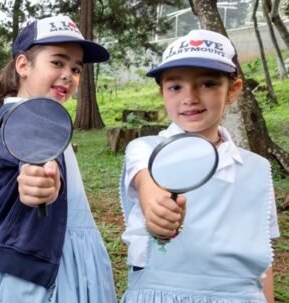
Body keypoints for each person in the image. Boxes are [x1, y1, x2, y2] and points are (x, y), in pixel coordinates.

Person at [119, 29, 278, 303]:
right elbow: (148, 185)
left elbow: (263, 260)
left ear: (233, 90)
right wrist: (158, 213)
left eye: (207, 84)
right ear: (162, 92)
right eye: (175, 86)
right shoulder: (145, 150)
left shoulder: (258, 169)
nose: (190, 97)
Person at [0, 15, 117, 302]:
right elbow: (30, 167)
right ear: (23, 65)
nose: (69, 74)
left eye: (76, 68)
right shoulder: (22, 119)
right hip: (31, 274)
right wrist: (40, 183)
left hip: (55, 256)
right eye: (57, 62)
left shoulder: (45, 117)